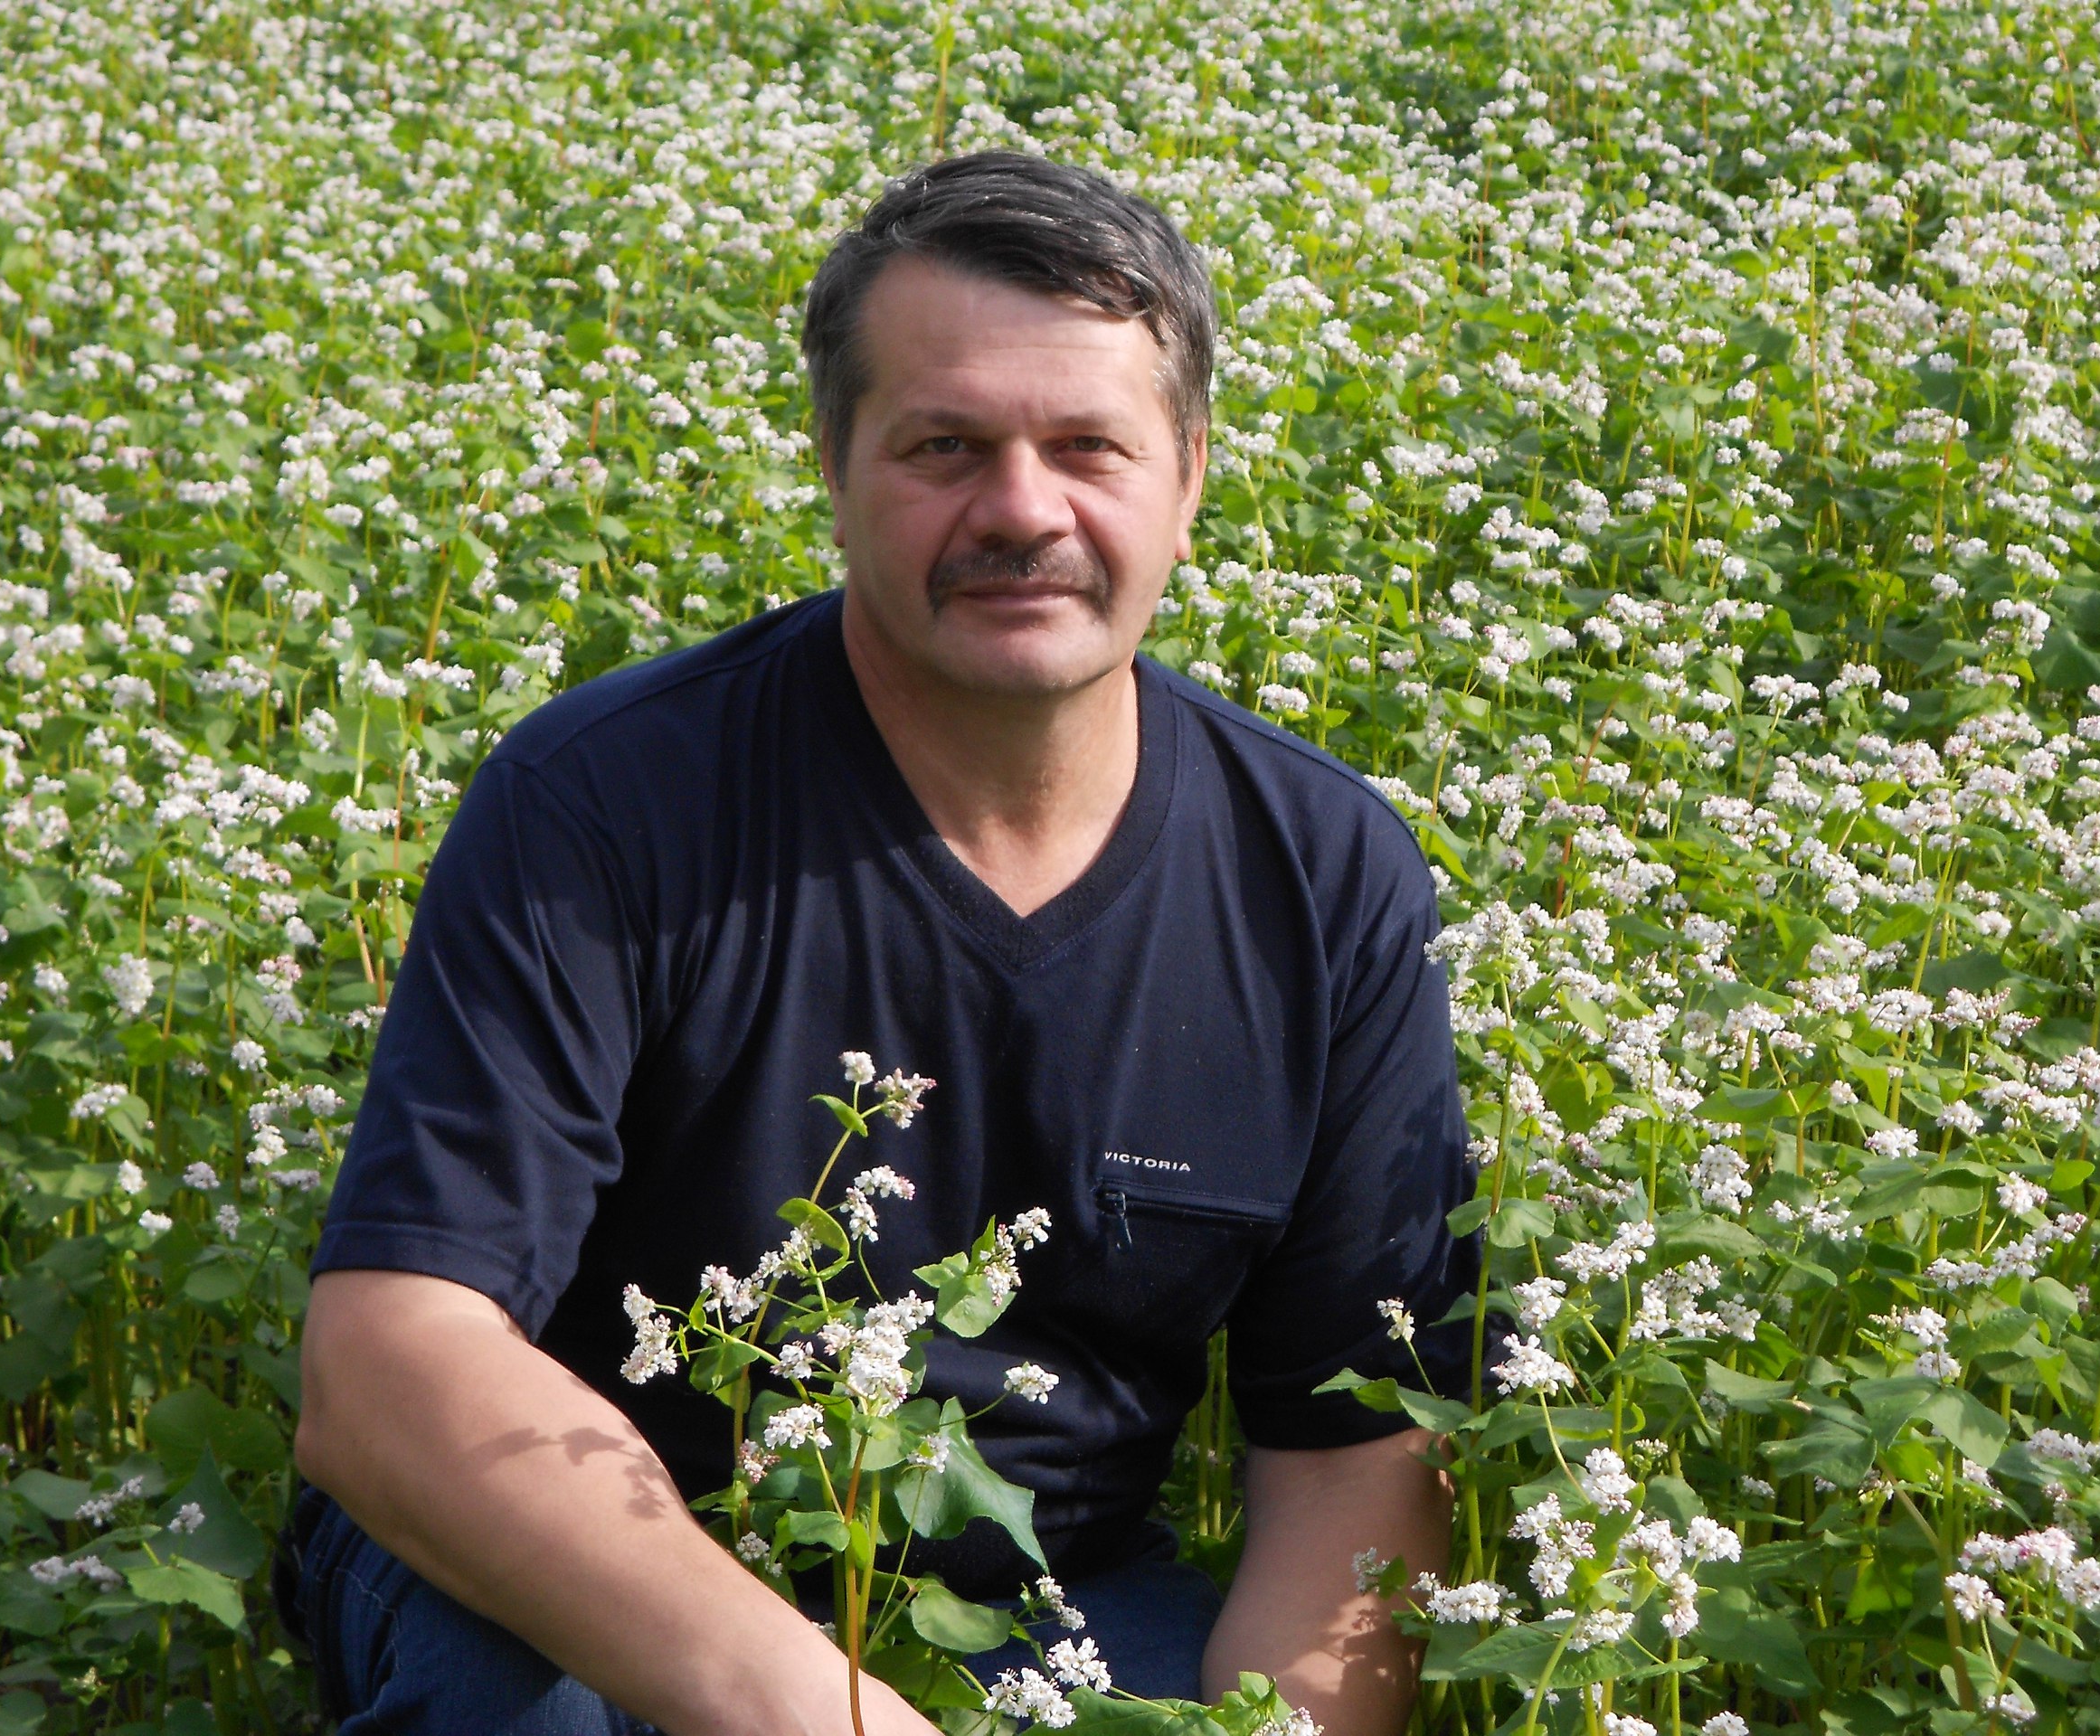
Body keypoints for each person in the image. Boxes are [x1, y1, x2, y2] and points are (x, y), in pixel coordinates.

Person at [285, 150, 1480, 1736]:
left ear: (1190, 476)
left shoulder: (1323, 877)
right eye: (945, 446)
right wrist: (821, 1712)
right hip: (567, 1558)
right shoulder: (603, 807)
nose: (1022, 509)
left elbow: (1354, 1455)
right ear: (833, 462)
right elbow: (389, 1365)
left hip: (1042, 1587)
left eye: (1088, 447)